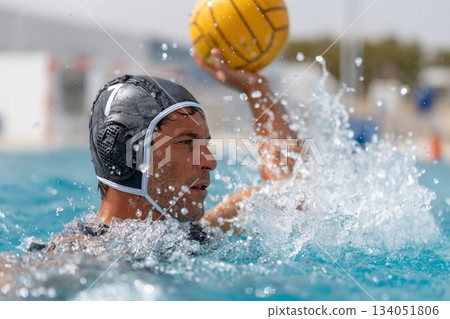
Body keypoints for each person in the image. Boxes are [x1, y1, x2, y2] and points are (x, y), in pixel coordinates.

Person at [29, 48, 301, 251]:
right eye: (186, 142)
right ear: (126, 154)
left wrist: (255, 87)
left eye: (205, 143)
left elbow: (287, 190)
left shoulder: (196, 232)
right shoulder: (84, 253)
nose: (210, 161)